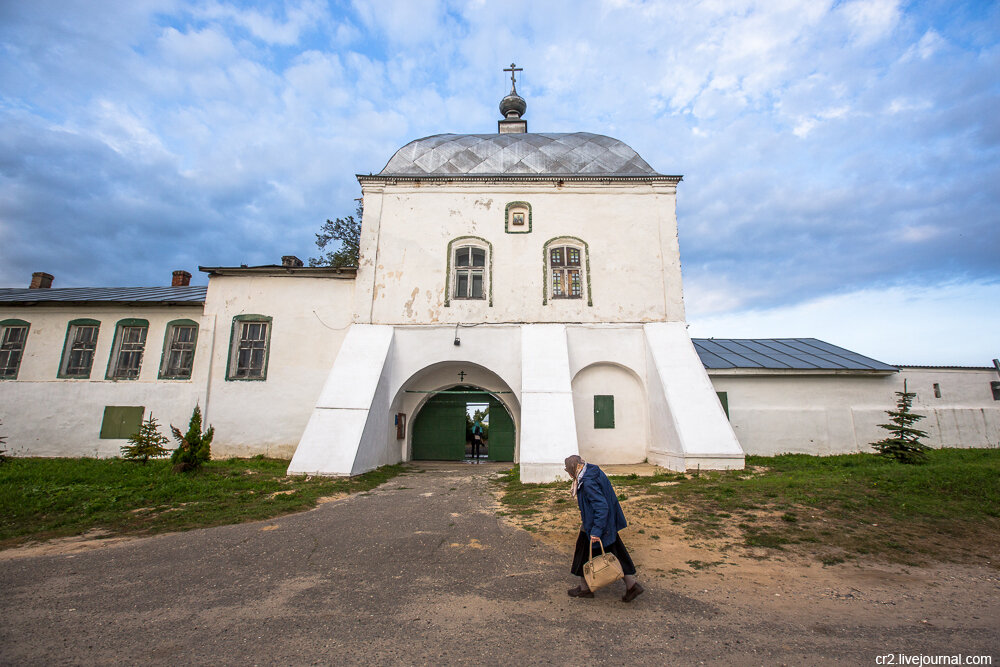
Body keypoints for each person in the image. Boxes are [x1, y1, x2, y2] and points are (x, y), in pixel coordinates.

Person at [564, 454, 644, 602]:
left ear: (574, 469)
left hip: (597, 525)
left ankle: (586, 589)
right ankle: (631, 585)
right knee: (614, 553)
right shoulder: (591, 471)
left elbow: (601, 506)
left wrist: (596, 531)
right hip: (604, 523)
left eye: (568, 470)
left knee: (584, 554)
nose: (569, 474)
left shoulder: (587, 482)